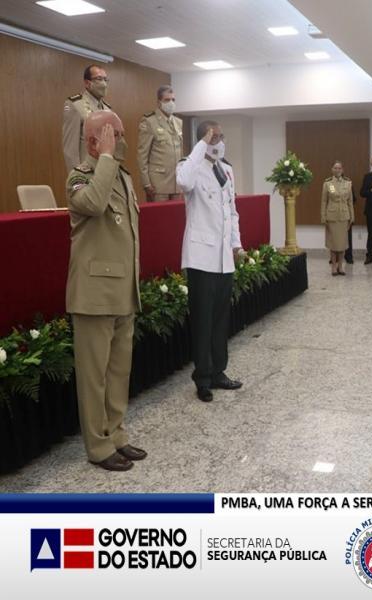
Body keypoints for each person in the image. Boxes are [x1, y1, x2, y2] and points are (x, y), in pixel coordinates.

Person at [65, 110, 145, 471]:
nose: (122, 140)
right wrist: (108, 158)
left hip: (123, 290)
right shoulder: (79, 177)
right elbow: (95, 205)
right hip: (94, 294)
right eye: (116, 134)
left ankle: (117, 435)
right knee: (93, 378)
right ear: (94, 141)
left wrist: (112, 160)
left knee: (118, 373)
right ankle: (98, 447)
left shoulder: (122, 176)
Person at [176, 120, 243, 403]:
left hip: (224, 258)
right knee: (203, 321)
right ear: (203, 138)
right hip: (201, 257)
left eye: (221, 136)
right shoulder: (189, 166)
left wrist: (236, 243)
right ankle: (202, 378)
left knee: (219, 320)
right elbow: (183, 182)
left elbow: (232, 211)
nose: (219, 141)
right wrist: (201, 144)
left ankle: (218, 372)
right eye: (214, 137)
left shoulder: (226, 169)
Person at [137, 85, 184, 202]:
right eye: (167, 100)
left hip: (177, 182)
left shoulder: (178, 122)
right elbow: (142, 155)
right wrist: (146, 183)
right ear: (159, 103)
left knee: (177, 213)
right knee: (160, 213)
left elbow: (180, 153)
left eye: (173, 100)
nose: (171, 103)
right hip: (158, 184)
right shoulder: (149, 121)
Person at [62, 65, 113, 172]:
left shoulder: (107, 108)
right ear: (87, 83)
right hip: (87, 172)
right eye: (99, 79)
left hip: (105, 170)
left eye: (105, 79)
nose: (104, 84)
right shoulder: (75, 105)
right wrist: (77, 178)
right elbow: (70, 150)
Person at [321, 161, 354, 276]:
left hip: (344, 216)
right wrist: (323, 217)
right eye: (335, 168)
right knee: (333, 243)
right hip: (332, 217)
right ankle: (334, 266)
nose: (337, 170)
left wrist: (352, 217)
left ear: (342, 170)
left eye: (339, 168)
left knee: (342, 244)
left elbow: (350, 202)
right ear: (332, 170)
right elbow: (324, 201)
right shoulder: (328, 184)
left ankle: (341, 266)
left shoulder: (348, 183)